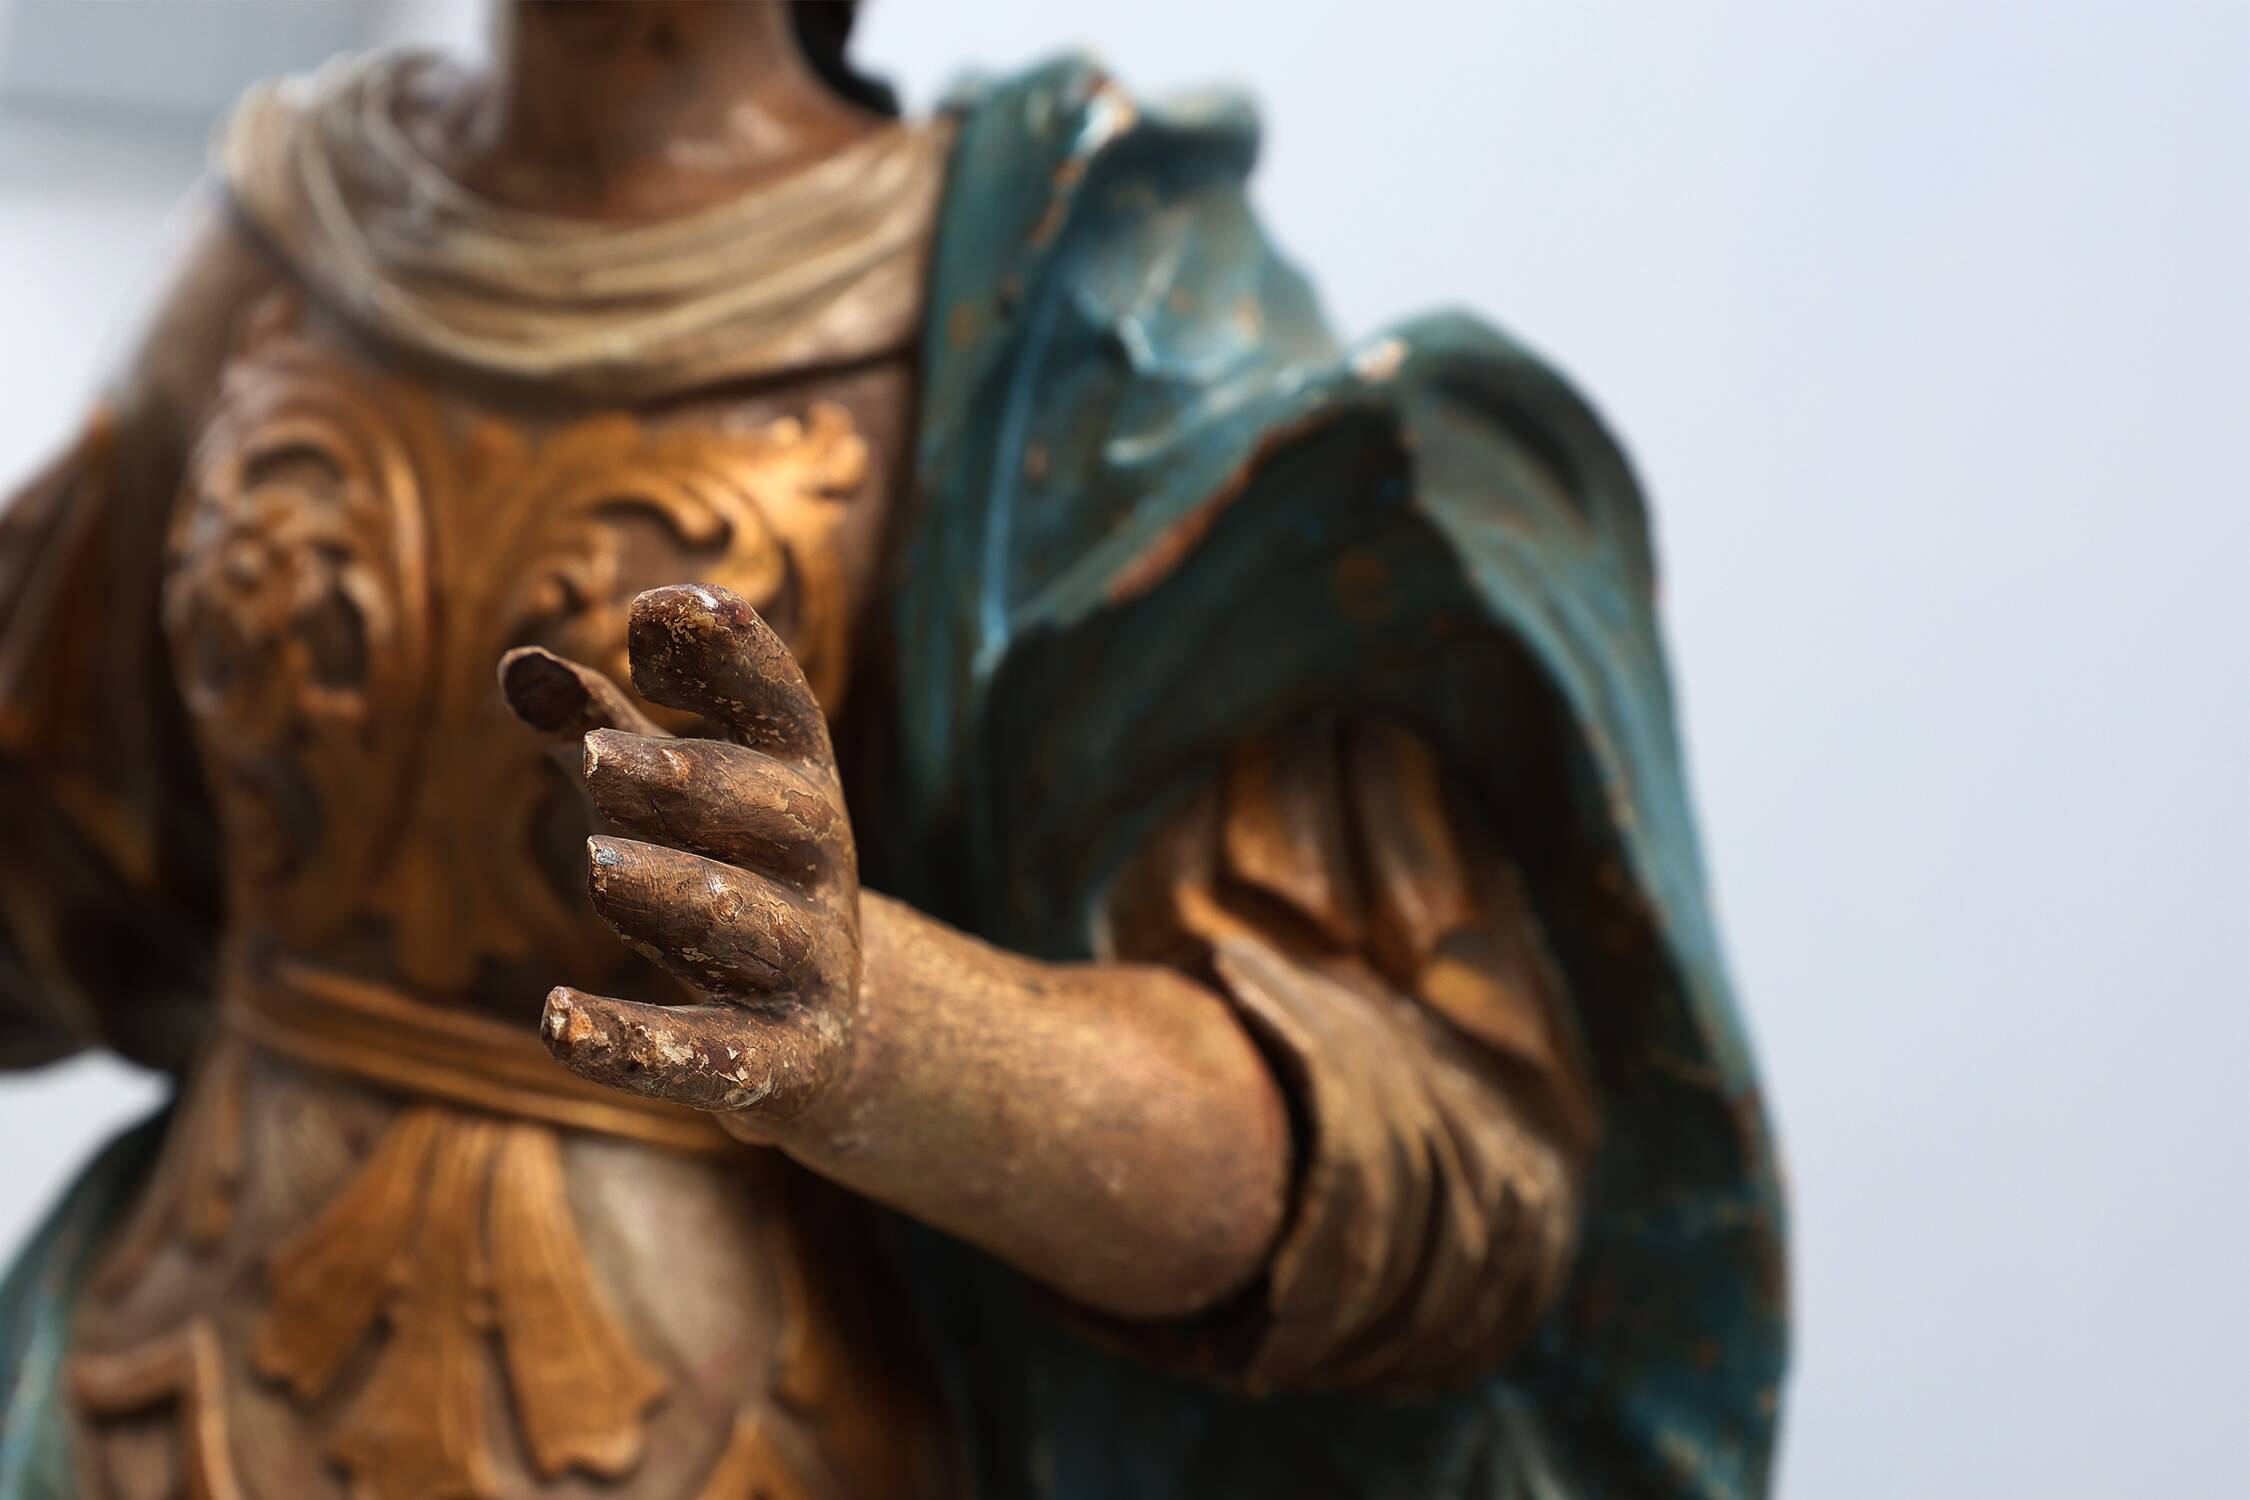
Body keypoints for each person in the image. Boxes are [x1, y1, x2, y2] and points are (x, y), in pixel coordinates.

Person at [0, 4, 1784, 1497]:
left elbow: (1437, 1155)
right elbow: (57, 867)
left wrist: (897, 1034)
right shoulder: (289, 225)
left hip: (773, 1439)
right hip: (147, 1415)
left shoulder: (1083, 308)